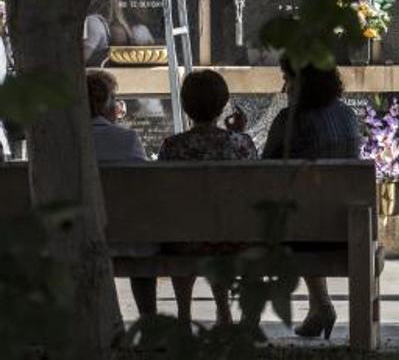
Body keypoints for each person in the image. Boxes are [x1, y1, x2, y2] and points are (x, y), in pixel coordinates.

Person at [263, 57, 361, 339]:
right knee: (310, 209)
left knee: (293, 211)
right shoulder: (347, 116)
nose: (284, 88)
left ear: (301, 82)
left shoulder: (289, 119)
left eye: (287, 78)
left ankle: (321, 306)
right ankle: (321, 306)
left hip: (298, 232)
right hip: (346, 229)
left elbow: (263, 172)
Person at [157, 69, 257, 326]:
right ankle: (224, 311)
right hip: (234, 239)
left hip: (184, 241)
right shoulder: (241, 143)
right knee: (218, 222)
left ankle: (184, 315)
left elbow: (165, 196)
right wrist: (239, 132)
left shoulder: (172, 146)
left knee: (186, 225)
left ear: (186, 106)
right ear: (223, 105)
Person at [86, 70, 156, 319]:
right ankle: (149, 318)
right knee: (144, 237)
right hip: (130, 239)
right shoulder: (127, 139)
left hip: (82, 236)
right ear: (106, 104)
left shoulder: (64, 142)